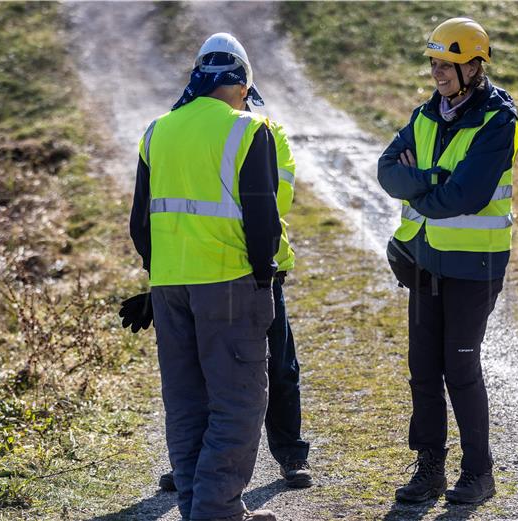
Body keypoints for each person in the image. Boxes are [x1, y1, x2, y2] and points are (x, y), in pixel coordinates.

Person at [124, 32, 283, 521]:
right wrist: (263, 276)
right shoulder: (247, 130)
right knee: (236, 404)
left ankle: (202, 506)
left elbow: (139, 222)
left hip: (171, 288)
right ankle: (217, 511)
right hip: (230, 283)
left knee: (187, 402)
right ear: (240, 85)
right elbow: (263, 220)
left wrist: (158, 277)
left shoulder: (157, 131)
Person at [377, 17, 518, 505]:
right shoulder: (424, 115)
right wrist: (434, 182)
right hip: (424, 259)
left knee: (459, 368)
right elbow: (385, 171)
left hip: (474, 266)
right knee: (423, 366)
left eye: (450, 64)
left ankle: (479, 475)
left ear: (475, 68)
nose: (439, 73)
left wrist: (421, 182)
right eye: (436, 63)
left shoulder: (498, 122)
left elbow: (469, 193)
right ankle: (429, 471)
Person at [155, 44, 312, 496]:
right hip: (219, 273)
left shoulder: (264, 132)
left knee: (276, 368)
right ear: (241, 85)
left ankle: (290, 455)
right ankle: (205, 477)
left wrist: (260, 271)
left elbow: (275, 203)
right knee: (223, 379)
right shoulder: (210, 130)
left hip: (250, 270)